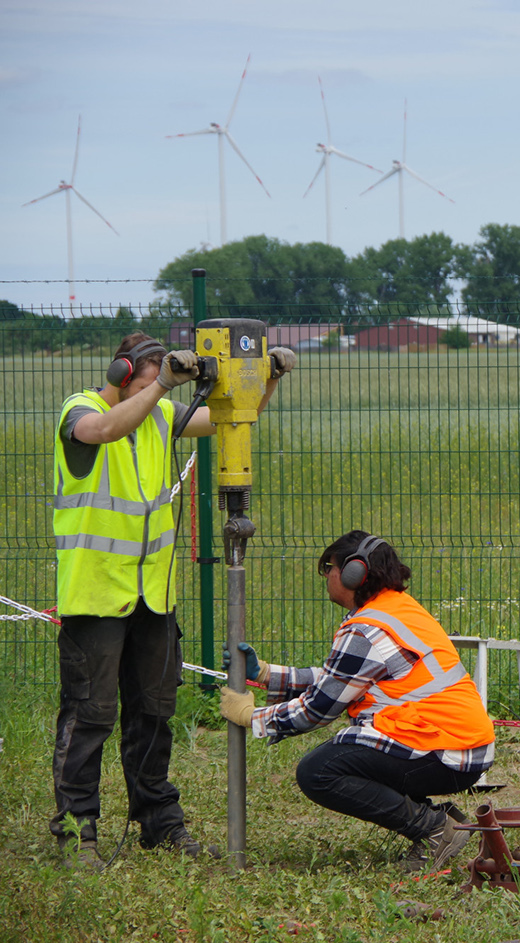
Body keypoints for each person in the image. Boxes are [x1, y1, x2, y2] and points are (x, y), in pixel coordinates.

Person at [51, 332, 295, 869]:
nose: (161, 390)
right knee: (90, 715)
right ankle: (77, 835)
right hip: (95, 596)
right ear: (121, 373)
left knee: (154, 714)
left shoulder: (160, 413)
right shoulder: (81, 410)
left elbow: (229, 418)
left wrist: (269, 376)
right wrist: (163, 382)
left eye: (166, 377)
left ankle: (159, 825)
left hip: (153, 598)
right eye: (151, 375)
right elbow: (107, 428)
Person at [220, 531, 496, 873]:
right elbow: (343, 679)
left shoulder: (367, 628)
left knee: (319, 771)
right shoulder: (395, 609)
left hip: (445, 751)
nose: (327, 577)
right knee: (347, 752)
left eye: (329, 569)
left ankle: (434, 829)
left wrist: (252, 717)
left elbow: (317, 709)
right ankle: (435, 824)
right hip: (459, 745)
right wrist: (266, 674)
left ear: (354, 573)